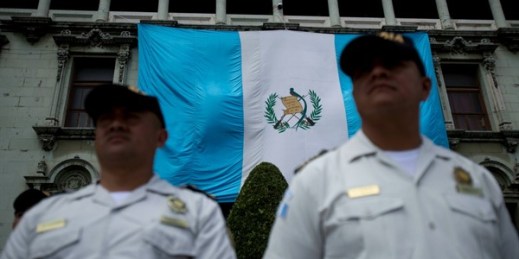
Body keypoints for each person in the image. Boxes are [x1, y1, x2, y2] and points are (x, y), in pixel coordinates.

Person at [263, 32, 519, 259]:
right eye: (365, 69)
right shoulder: (315, 183)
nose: (378, 72)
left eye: (393, 64)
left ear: (425, 86)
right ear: (355, 94)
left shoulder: (478, 182)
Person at [1, 84, 236, 259]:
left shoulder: (199, 214)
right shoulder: (42, 216)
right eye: (106, 118)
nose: (116, 124)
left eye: (131, 117)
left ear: (161, 137)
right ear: (95, 135)